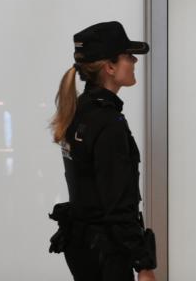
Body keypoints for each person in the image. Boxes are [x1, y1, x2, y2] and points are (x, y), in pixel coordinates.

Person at [48, 21, 158, 281]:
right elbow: (118, 203)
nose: (134, 61)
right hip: (106, 253)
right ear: (110, 67)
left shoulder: (78, 110)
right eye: (127, 56)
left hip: (83, 247)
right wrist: (143, 264)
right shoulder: (108, 123)